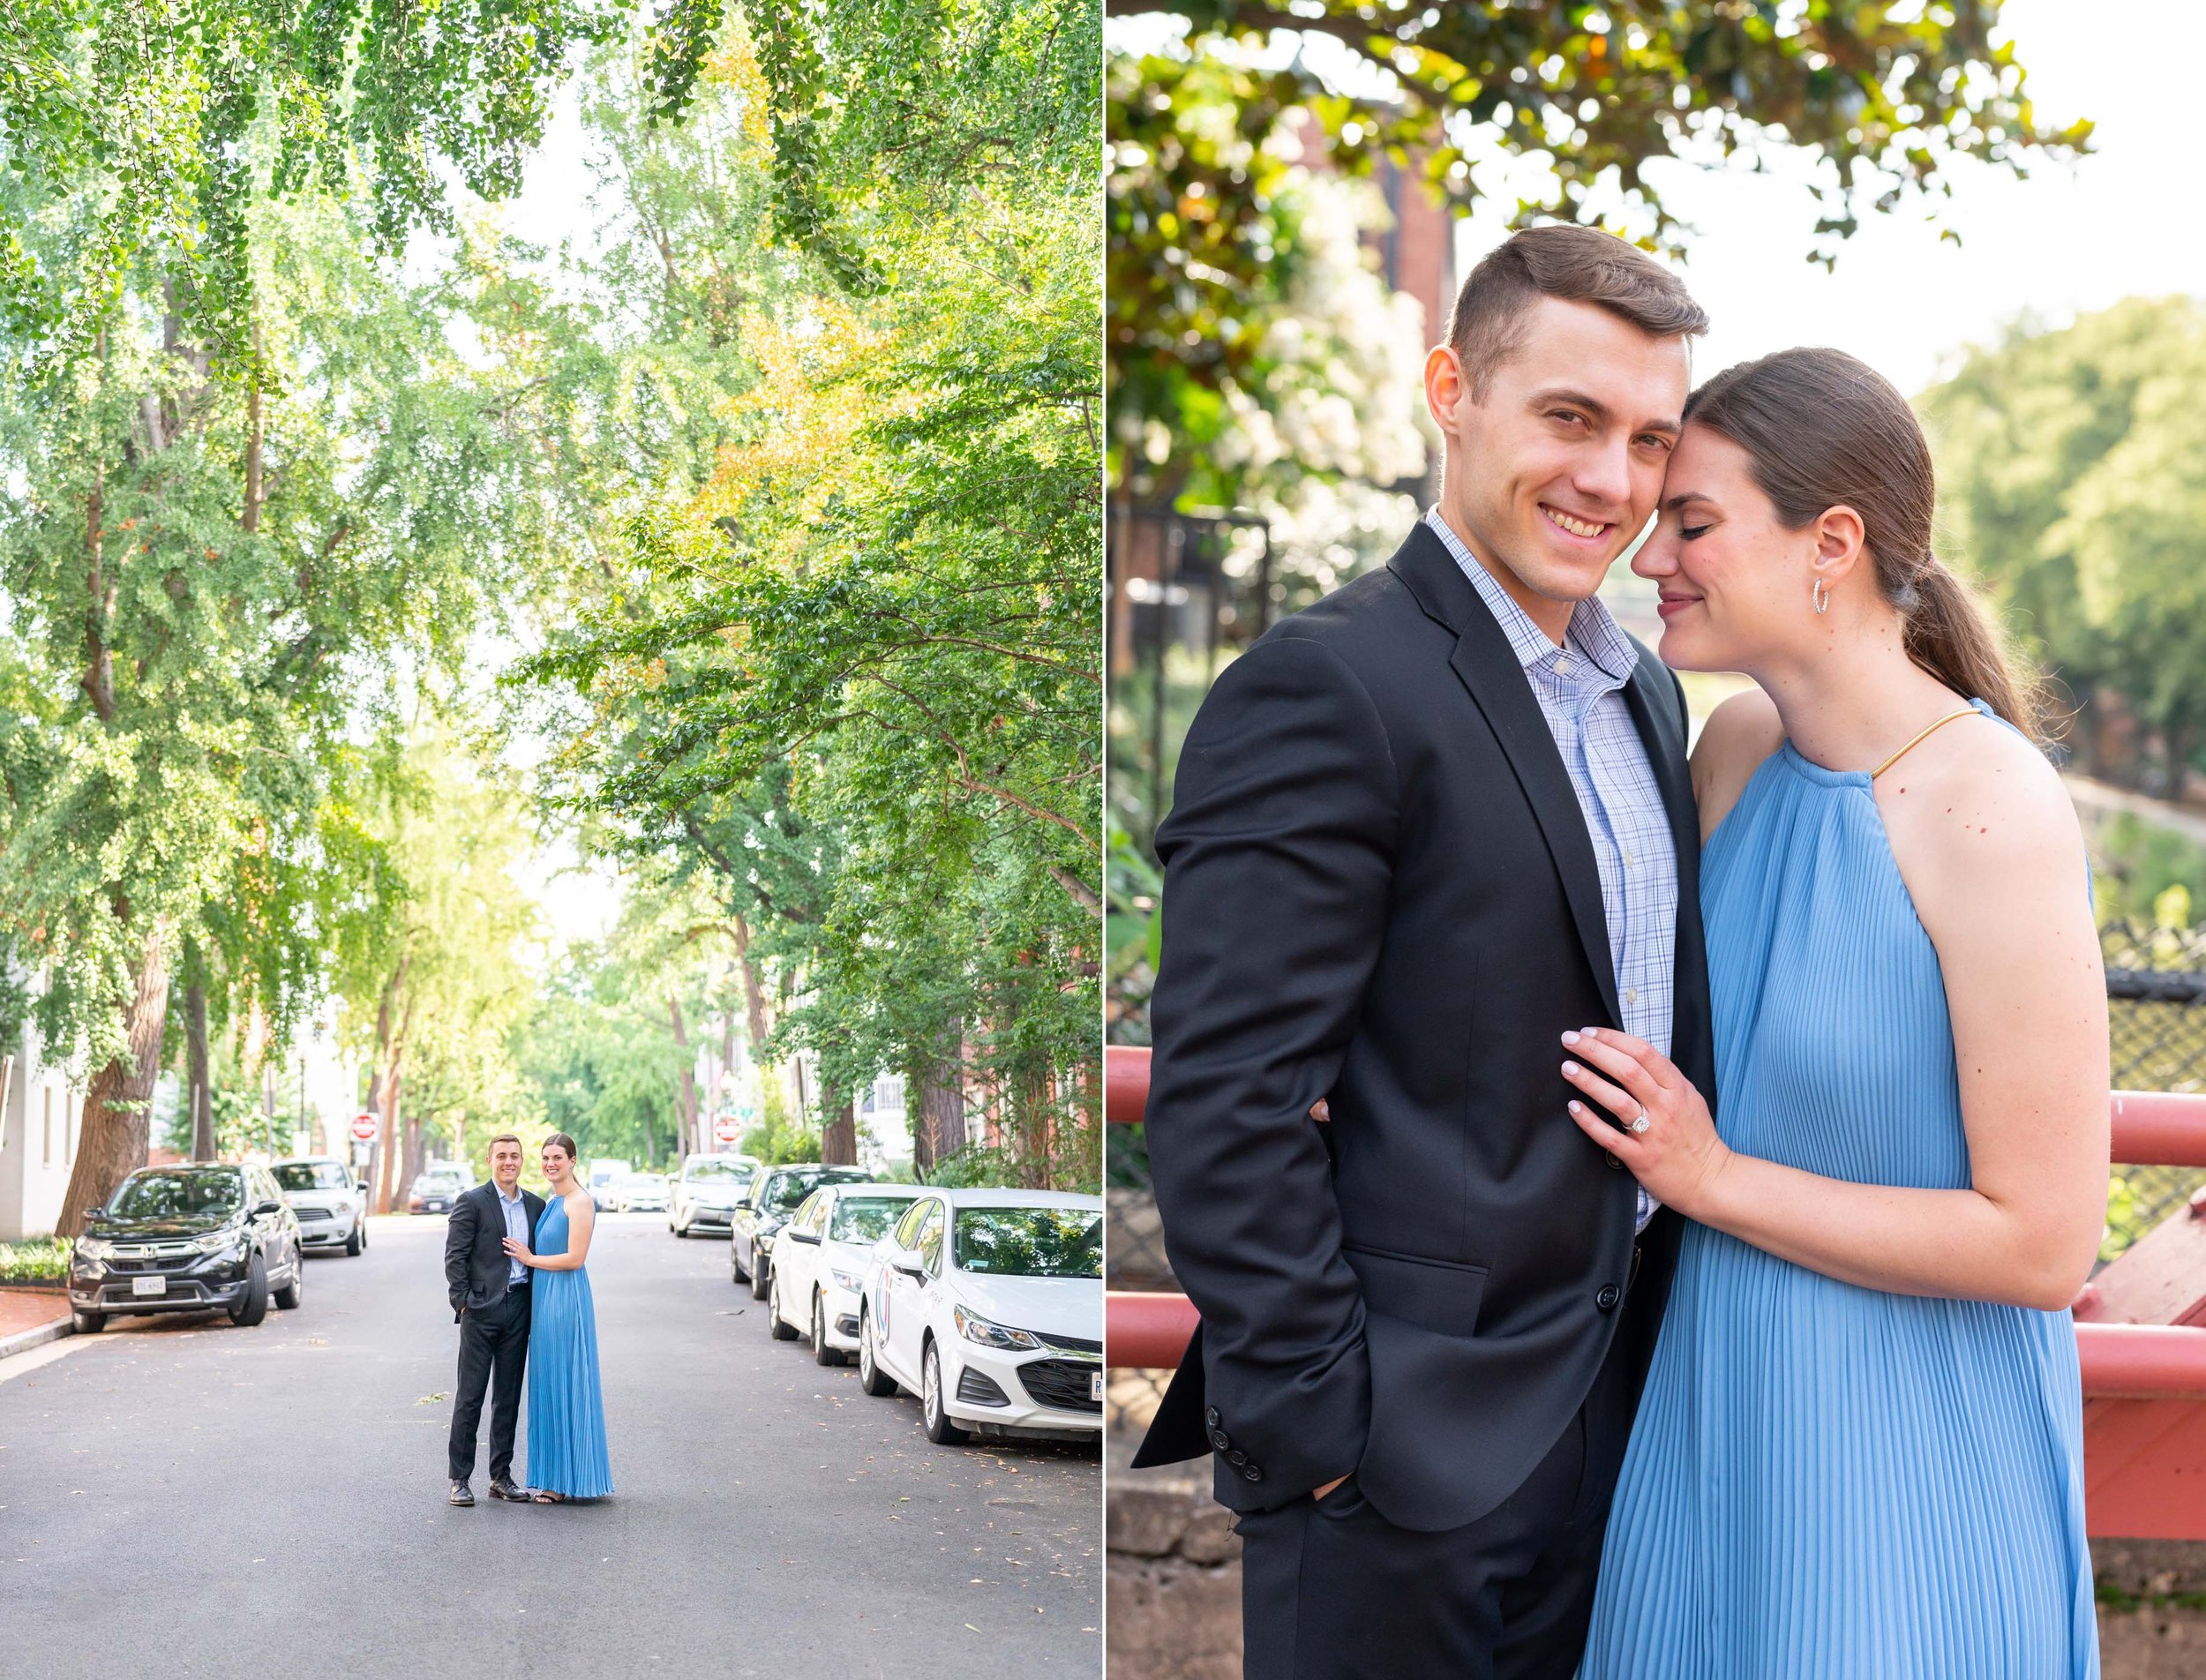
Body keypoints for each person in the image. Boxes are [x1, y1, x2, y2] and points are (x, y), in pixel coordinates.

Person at [1133, 224, 1715, 1676]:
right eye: (1570, 418)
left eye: (1651, 440)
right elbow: (1226, 1102)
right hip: (1397, 1465)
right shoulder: (1325, 684)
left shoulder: (1644, 695)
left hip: (1614, 1432)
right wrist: (1329, 1436)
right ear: (1451, 388)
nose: (1613, 481)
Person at [1573, 347, 2105, 1676]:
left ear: (1835, 541)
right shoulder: (1734, 750)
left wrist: (1713, 1178)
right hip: (1710, 1433)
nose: (1653, 560)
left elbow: (2043, 1242)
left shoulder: (1989, 804)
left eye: (1693, 523)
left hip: (1908, 1469)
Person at [503, 1131, 614, 1502]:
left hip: (565, 1298)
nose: (550, 1164)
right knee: (548, 1381)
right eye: (545, 1158)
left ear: (573, 1161)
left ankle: (568, 1479)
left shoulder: (579, 1201)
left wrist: (530, 1259)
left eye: (557, 1158)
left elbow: (575, 1258)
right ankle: (554, 1475)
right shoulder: (555, 1200)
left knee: (566, 1380)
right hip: (544, 1299)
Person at [445, 1131, 544, 1506]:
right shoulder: (471, 1202)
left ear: (522, 1161)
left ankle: (500, 1477)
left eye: (515, 1156)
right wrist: (464, 1304)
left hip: (520, 1308)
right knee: (470, 1397)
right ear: (490, 1160)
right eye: (501, 1155)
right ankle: (459, 1479)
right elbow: (455, 1257)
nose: (508, 1161)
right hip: (481, 1312)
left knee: (507, 1397)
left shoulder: (535, 1206)